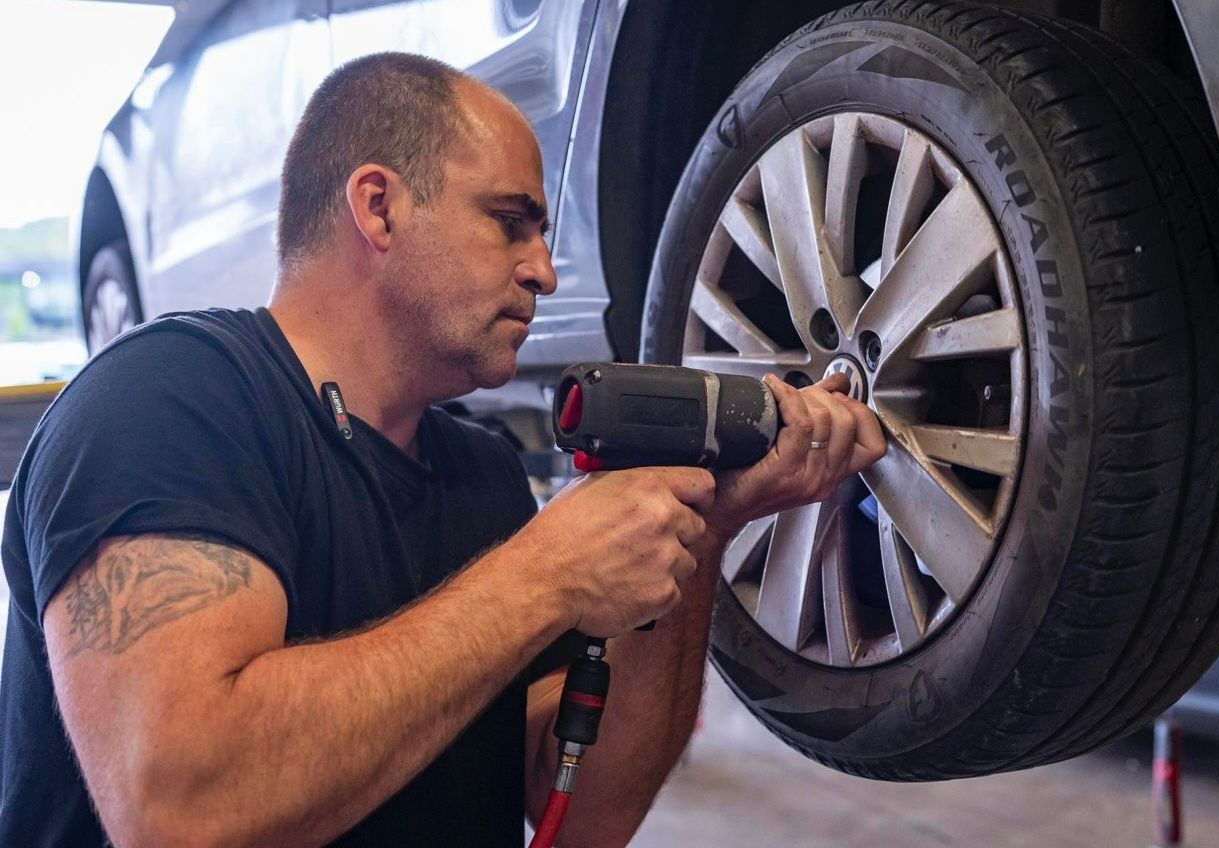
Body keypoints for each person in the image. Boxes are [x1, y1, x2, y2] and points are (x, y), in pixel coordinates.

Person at [0, 53, 885, 847]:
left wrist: (708, 526)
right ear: (378, 207)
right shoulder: (166, 403)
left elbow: (585, 811)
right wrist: (543, 575)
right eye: (511, 222)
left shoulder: (481, 475)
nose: (545, 269)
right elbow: (183, 812)